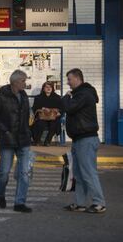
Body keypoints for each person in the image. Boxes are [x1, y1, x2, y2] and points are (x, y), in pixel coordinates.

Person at [0, 70, 32, 213]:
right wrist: (5, 130)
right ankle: (0, 193)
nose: (25, 83)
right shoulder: (1, 98)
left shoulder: (24, 96)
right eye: (23, 81)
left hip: (24, 140)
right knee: (4, 173)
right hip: (8, 140)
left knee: (24, 173)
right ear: (15, 82)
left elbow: (26, 116)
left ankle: (19, 203)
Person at [62, 68, 106, 214]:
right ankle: (80, 203)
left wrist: (66, 97)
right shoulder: (80, 94)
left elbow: (69, 108)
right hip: (79, 139)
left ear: (77, 78)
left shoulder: (84, 94)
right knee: (79, 174)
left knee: (88, 172)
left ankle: (99, 203)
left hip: (86, 139)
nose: (68, 83)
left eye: (69, 79)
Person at [32, 81, 63, 146]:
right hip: (42, 116)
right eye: (47, 87)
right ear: (43, 88)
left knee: (54, 124)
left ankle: (47, 141)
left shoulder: (57, 97)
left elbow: (61, 108)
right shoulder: (38, 97)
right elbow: (34, 108)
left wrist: (59, 112)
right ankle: (37, 141)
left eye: (50, 87)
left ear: (52, 88)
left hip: (53, 117)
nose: (49, 88)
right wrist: (42, 109)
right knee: (40, 124)